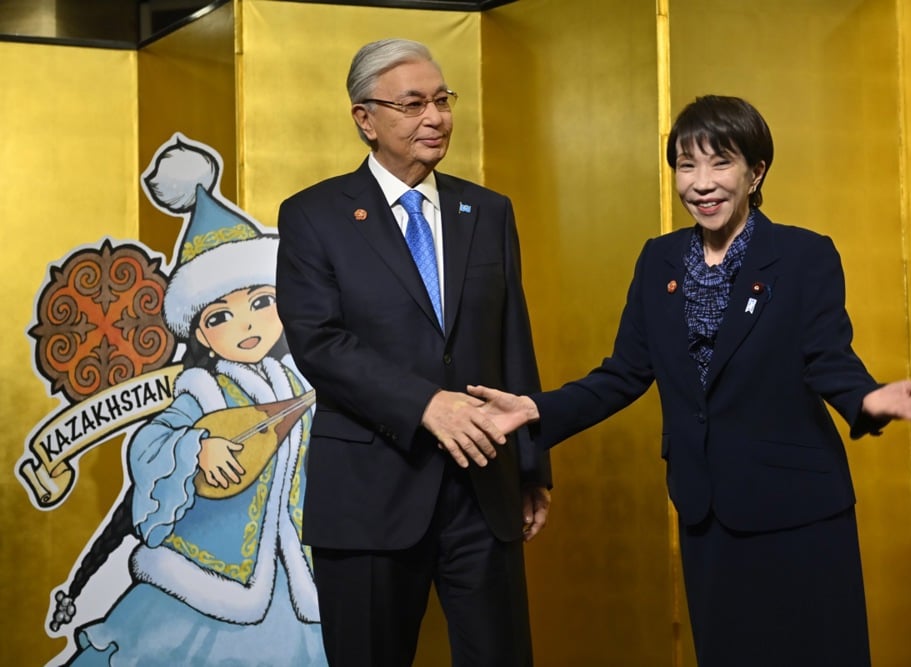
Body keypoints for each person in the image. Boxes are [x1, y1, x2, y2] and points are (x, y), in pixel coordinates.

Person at [470, 95, 911, 667]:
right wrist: (535, 409)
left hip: (799, 509)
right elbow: (623, 373)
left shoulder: (803, 255)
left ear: (755, 171)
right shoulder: (659, 260)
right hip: (706, 509)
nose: (701, 183)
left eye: (720, 163)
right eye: (686, 166)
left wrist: (867, 396)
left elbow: (827, 358)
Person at [274, 38, 552, 667]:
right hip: (371, 493)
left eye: (442, 100)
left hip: (484, 490)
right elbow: (319, 342)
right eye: (413, 104)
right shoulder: (314, 215)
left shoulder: (487, 210)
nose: (435, 117)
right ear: (364, 118)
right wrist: (427, 405)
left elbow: (513, 340)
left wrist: (532, 469)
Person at [63, 138, 325, 665]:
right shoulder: (205, 391)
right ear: (202, 334)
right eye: (220, 316)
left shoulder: (304, 382)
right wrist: (197, 447)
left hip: (297, 577)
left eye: (260, 302)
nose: (245, 324)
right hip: (207, 579)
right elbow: (151, 443)